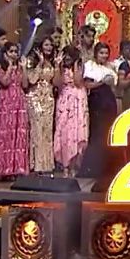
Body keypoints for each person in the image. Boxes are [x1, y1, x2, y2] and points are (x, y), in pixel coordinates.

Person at [0, 42, 29, 181]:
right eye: (11, 51)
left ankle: (16, 169)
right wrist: (10, 67)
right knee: (5, 134)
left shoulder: (19, 67)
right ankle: (2, 170)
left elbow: (25, 84)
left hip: (19, 101)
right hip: (5, 102)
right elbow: (5, 82)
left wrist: (23, 69)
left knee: (17, 134)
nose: (14, 54)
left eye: (16, 52)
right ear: (5, 53)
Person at [80, 43, 120, 180]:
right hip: (96, 101)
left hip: (109, 101)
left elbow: (115, 86)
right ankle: (92, 168)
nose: (104, 55)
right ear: (96, 53)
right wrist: (102, 82)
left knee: (107, 133)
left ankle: (107, 168)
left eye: (106, 53)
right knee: (97, 133)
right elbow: (87, 85)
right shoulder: (90, 66)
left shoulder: (111, 67)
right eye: (101, 53)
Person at [24, 38, 58, 173]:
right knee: (37, 129)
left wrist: (57, 65)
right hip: (35, 97)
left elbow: (55, 82)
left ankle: (46, 164)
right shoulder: (32, 61)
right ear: (40, 46)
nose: (49, 47)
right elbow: (32, 80)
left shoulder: (53, 61)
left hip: (48, 98)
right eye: (46, 44)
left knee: (47, 131)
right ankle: (35, 164)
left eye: (51, 45)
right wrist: (41, 63)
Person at [53, 47, 88, 176]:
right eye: (64, 55)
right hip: (64, 98)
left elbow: (78, 82)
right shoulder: (61, 67)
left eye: (69, 55)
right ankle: (65, 166)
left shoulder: (79, 66)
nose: (66, 58)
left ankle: (74, 166)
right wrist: (57, 66)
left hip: (78, 98)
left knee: (76, 132)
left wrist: (76, 66)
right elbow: (57, 83)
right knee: (63, 131)